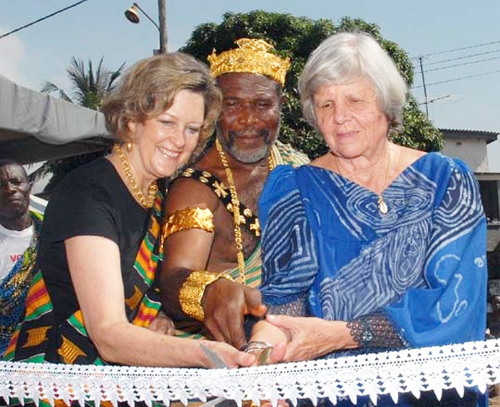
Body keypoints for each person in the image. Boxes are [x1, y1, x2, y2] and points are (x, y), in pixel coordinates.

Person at [251, 32, 488, 406]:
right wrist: (259, 356)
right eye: (325, 104)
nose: (340, 117)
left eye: (355, 100)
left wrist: (346, 333)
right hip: (337, 396)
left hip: (436, 394)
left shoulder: (447, 182)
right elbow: (286, 308)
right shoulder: (294, 191)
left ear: (386, 105)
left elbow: (454, 306)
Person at [4, 52, 255, 371]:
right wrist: (205, 354)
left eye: (192, 129)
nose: (179, 140)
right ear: (132, 120)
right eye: (167, 122)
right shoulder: (89, 193)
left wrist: (159, 317)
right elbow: (109, 334)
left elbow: (138, 296)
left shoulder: (154, 194)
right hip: (57, 379)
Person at [159, 38, 309, 349]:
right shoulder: (196, 188)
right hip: (224, 354)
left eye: (262, 105)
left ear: (281, 108)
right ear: (215, 111)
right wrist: (210, 291)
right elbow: (174, 278)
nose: (248, 120)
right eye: (232, 104)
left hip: (300, 338)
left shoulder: (298, 167)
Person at [0, 160, 43, 356]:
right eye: (1, 185)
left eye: (16, 181)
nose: (10, 189)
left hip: (41, 346)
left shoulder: (52, 234)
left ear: (29, 187)